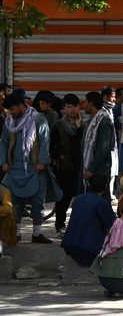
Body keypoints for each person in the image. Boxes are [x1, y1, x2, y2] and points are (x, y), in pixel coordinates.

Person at [1, 92, 62, 244]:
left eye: (12, 109)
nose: (11, 113)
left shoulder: (38, 119)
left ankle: (37, 233)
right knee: (16, 202)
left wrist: (42, 162)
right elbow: (4, 143)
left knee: (37, 201)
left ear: (21, 105)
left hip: (35, 168)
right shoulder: (9, 122)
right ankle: (16, 234)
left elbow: (45, 142)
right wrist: (4, 162)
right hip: (16, 168)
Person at [60, 174, 116, 267]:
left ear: (89, 185)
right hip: (88, 247)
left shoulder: (78, 199)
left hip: (70, 244)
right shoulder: (102, 203)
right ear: (106, 186)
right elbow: (113, 224)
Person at [50, 94, 84, 234]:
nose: (72, 110)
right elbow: (51, 145)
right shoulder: (58, 125)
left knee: (81, 198)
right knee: (63, 198)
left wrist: (79, 128)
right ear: (64, 108)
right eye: (69, 107)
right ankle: (60, 225)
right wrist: (60, 155)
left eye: (75, 106)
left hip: (81, 167)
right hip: (65, 168)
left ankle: (79, 226)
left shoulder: (84, 124)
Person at [82, 92, 116, 199]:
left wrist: (91, 169)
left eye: (85, 102)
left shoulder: (104, 121)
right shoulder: (91, 121)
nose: (83, 105)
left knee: (100, 201)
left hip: (99, 171)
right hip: (92, 170)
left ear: (91, 104)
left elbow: (103, 149)